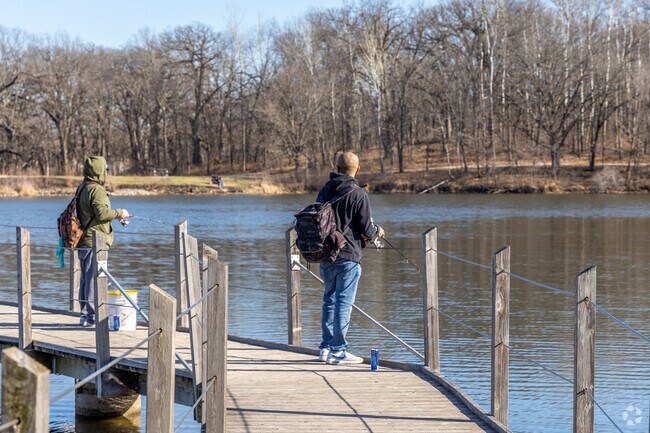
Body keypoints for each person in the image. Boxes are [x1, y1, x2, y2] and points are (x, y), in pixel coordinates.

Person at [316, 152, 385, 365]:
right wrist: (378, 231)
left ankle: (326, 348)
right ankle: (338, 350)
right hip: (348, 254)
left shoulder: (324, 191)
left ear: (336, 167)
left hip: (326, 253)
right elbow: (367, 229)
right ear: (358, 169)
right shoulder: (359, 194)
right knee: (344, 302)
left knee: (329, 299)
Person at [76, 156, 129, 327]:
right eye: (106, 170)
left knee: (86, 278)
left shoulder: (83, 187)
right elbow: (102, 214)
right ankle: (91, 317)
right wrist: (120, 212)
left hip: (84, 241)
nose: (107, 173)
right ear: (99, 171)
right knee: (94, 279)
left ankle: (85, 314)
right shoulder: (97, 190)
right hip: (95, 243)